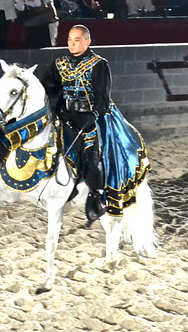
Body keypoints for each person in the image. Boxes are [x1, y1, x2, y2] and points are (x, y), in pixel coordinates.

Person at [42, 25, 151, 223]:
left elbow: (103, 96)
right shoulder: (60, 64)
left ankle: (96, 195)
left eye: (77, 40)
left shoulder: (98, 64)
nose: (72, 44)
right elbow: (49, 86)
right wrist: (55, 103)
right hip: (66, 114)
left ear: (87, 41)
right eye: (69, 40)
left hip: (91, 117)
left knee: (92, 153)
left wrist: (93, 114)